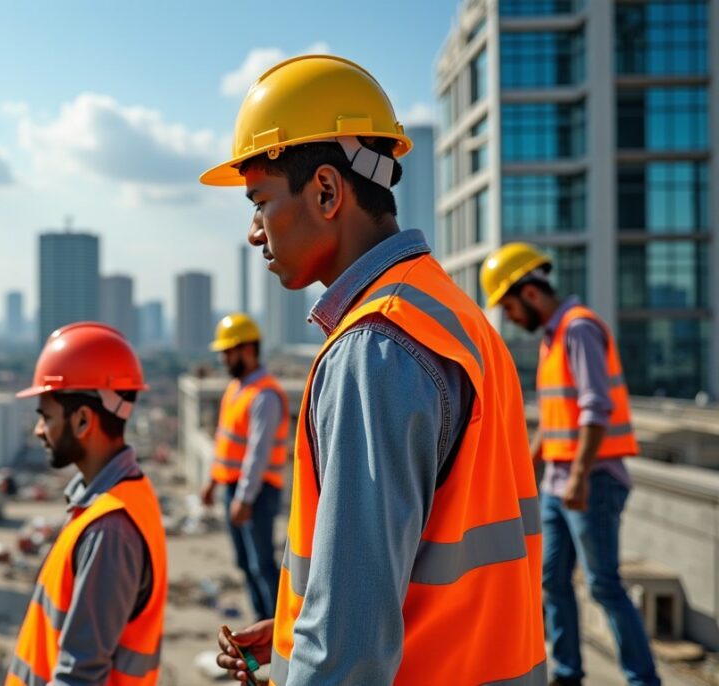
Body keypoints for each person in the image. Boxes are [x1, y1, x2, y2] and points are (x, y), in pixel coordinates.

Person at [201, 54, 545, 684]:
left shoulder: (375, 349)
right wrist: (289, 638)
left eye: (260, 203)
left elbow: (344, 652)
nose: (255, 233)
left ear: (327, 191)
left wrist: (315, 650)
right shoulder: (451, 315)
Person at [482, 243, 660, 686]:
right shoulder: (553, 338)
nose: (510, 319)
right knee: (552, 580)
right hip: (561, 483)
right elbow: (556, 420)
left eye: (508, 307)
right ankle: (567, 673)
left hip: (592, 481)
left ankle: (644, 680)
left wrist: (579, 476)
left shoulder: (578, 330)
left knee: (604, 585)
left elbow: (595, 408)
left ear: (529, 294)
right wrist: (520, 466)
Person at [6, 322, 167, 685]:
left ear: (82, 420)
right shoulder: (123, 496)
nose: (38, 431)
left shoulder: (109, 529)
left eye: (46, 417)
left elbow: (79, 676)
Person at [202, 313, 289, 620]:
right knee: (244, 563)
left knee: (262, 564)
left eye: (228, 352)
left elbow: (258, 454)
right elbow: (224, 441)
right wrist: (213, 481)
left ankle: (277, 630)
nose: (224, 359)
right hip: (234, 489)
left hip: (257, 493)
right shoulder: (236, 390)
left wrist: (244, 499)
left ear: (247, 350)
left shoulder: (264, 395)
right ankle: (260, 623)